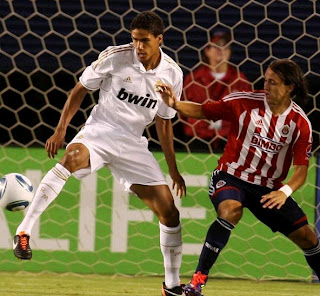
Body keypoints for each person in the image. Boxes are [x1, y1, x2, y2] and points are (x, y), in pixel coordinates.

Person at [13, 11, 187, 296]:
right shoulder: (116, 57)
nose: (139, 47)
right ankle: (24, 231)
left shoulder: (172, 73)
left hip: (133, 143)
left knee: (169, 212)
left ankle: (171, 285)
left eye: (144, 41)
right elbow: (80, 89)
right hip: (100, 131)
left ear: (159, 39)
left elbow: (163, 121)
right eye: (134, 40)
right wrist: (61, 131)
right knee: (70, 158)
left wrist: (173, 169)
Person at [157, 59, 320, 296]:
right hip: (230, 176)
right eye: (265, 80)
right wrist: (175, 104)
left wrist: (283, 193)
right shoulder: (243, 101)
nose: (266, 85)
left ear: (289, 87)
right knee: (231, 209)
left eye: (272, 82)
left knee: (308, 237)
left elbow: (301, 170)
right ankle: (197, 282)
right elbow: (204, 110)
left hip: (268, 189)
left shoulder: (299, 123)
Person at [182, 31, 251, 151]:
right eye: (216, 46)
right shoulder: (194, 79)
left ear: (229, 52)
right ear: (207, 51)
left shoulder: (240, 81)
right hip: (198, 139)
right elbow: (181, 109)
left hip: (230, 140)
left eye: (225, 47)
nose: (221, 50)